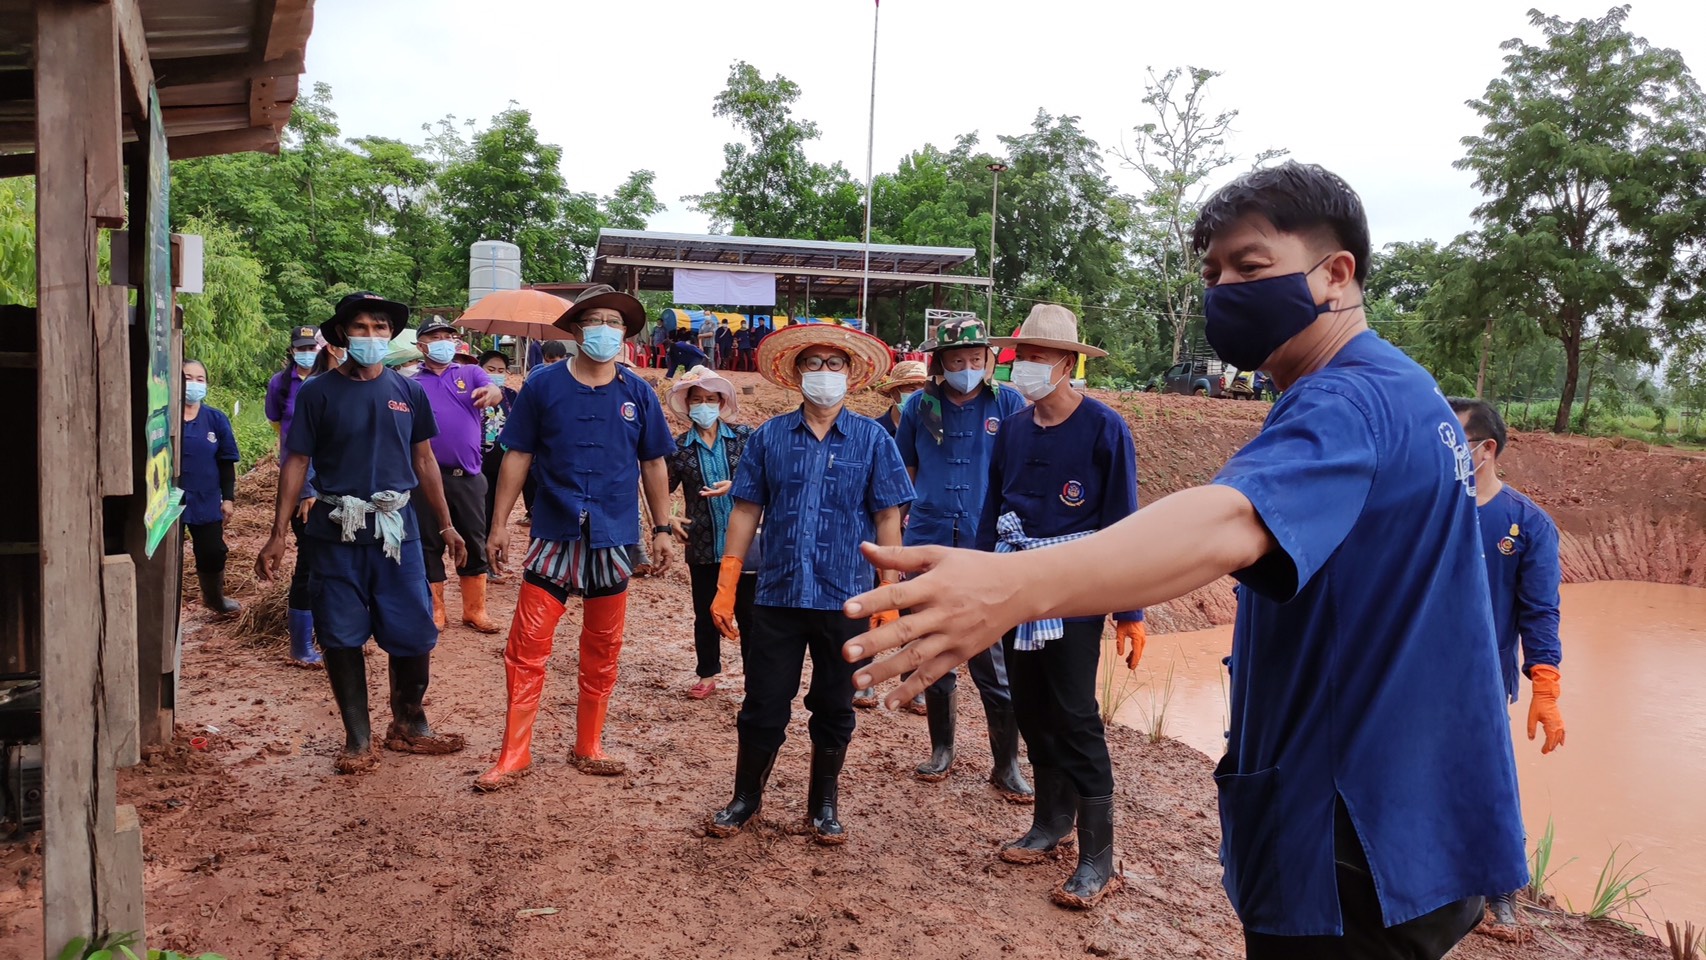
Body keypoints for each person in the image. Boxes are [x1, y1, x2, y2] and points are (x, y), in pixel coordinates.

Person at [841, 163, 1526, 952]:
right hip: (1417, 808)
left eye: (1251, 266)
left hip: (1354, 829)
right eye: (1212, 272)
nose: (1225, 288)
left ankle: (1088, 843)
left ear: (1337, 275)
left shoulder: (1344, 402)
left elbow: (1228, 520)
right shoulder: (1408, 392)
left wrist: (1014, 587)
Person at [958, 303, 1145, 909]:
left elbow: (1123, 523)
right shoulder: (1011, 428)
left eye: (1037, 358)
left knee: (1074, 710)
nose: (1024, 368)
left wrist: (1130, 610)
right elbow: (991, 509)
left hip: (1076, 590)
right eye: (1020, 357)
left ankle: (1099, 856)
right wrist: (981, 581)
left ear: (1066, 364)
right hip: (1017, 583)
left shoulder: (1104, 428)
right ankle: (1050, 822)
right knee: (1031, 704)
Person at [704, 324, 913, 845]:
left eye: (834, 364)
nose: (824, 373)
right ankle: (746, 797)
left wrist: (889, 595)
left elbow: (889, 519)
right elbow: (747, 508)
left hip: (845, 598)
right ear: (797, 374)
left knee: (835, 704)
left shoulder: (874, 439)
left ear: (850, 374)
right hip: (776, 593)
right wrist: (727, 580)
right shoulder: (769, 436)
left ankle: (823, 803)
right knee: (763, 702)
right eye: (814, 364)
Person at [257, 291, 468, 773]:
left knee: (413, 632)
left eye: (379, 328)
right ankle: (357, 737)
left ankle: (410, 722)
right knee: (341, 634)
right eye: (360, 327)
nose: (370, 336)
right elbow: (297, 461)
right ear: (342, 336)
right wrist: (278, 532)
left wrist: (447, 524)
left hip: (399, 532)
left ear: (390, 335)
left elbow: (424, 460)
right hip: (335, 532)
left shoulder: (408, 391)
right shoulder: (318, 392)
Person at [476, 284, 675, 790]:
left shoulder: (638, 394)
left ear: (625, 334)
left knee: (604, 643)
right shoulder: (543, 386)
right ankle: (514, 753)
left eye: (614, 321)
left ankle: (590, 743)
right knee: (528, 643)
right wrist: (498, 525)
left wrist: (662, 527)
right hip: (554, 528)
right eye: (595, 320)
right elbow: (516, 455)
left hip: (614, 533)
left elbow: (653, 462)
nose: (605, 329)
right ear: (576, 329)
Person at [892, 318, 1032, 801]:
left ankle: (1006, 763)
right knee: (934, 647)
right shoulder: (919, 405)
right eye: (957, 361)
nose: (967, 368)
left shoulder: (1008, 403)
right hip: (929, 535)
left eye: (976, 360)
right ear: (940, 363)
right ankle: (941, 749)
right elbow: (904, 467)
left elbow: (1022, 462)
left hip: (986, 541)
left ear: (988, 362)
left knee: (992, 655)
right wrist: (904, 513)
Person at [1451, 397, 1565, 929]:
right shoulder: (1424, 508)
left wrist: (1545, 682)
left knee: (1488, 778)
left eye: (1454, 442)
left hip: (1482, 678)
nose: (1445, 452)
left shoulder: (1527, 526)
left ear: (1485, 449)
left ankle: (1499, 888)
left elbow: (1540, 610)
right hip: (1404, 670)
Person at [664, 366, 758, 699]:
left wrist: (737, 485)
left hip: (746, 544)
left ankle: (754, 678)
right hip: (701, 541)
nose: (704, 405)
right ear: (688, 404)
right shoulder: (677, 448)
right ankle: (707, 674)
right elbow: (661, 488)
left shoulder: (746, 438)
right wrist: (670, 518)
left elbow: (767, 479)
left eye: (710, 399)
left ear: (721, 403)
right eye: (698, 399)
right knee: (705, 613)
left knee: (750, 613)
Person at [413, 317, 505, 634]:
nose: (443, 341)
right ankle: (436, 609)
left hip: (466, 475)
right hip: (425, 476)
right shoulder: (412, 383)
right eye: (434, 336)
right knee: (429, 540)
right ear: (421, 345)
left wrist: (493, 393)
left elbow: (492, 388)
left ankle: (474, 610)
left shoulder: (469, 372)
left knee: (473, 540)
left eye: (447, 336)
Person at [268, 325, 327, 666]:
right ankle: (301, 646)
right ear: (291, 350)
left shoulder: (331, 380)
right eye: (300, 348)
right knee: (309, 560)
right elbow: (289, 441)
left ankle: (335, 632)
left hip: (334, 485)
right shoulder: (281, 384)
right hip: (301, 485)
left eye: (312, 347)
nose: (307, 353)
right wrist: (307, 488)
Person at [179, 359, 242, 618]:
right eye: (187, 378)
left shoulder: (215, 419)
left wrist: (228, 499)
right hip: (168, 499)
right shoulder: (161, 416)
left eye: (199, 379)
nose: (193, 384)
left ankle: (214, 598)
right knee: (166, 552)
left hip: (205, 497)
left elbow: (226, 462)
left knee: (213, 551)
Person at [477, 350, 520, 552]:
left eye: (501, 370)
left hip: (504, 464)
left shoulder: (512, 395)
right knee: (480, 512)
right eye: (491, 369)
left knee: (497, 512)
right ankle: (480, 558)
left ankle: (491, 554)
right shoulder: (473, 394)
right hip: (477, 465)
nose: (496, 373)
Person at [871, 360, 928, 438]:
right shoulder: (874, 431)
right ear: (894, 393)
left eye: (924, 390)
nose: (918, 396)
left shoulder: (932, 432)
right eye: (912, 389)